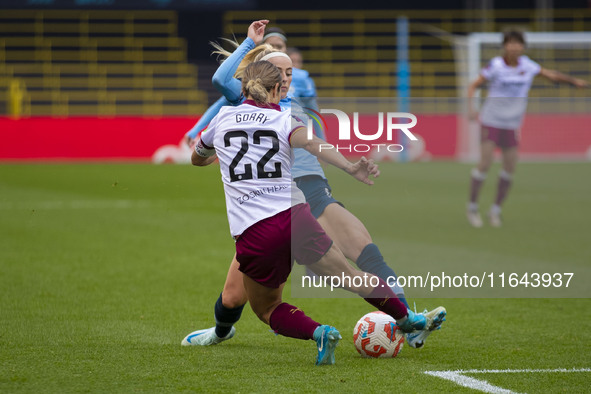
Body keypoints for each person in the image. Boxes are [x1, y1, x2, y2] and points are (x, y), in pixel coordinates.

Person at [182, 20, 446, 349]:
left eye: (291, 71)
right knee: (234, 296)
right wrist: (249, 44)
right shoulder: (255, 103)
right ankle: (220, 331)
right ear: (261, 75)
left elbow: (313, 142)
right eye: (281, 72)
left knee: (363, 249)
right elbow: (223, 86)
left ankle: (409, 318)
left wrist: (347, 167)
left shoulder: (294, 99)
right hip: (278, 204)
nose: (288, 78)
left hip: (306, 193)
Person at [466, 29, 588, 228]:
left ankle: (495, 210)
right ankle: (472, 207)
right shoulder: (495, 66)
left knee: (509, 168)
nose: (514, 47)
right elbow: (474, 85)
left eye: (518, 43)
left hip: (512, 124)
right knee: (485, 164)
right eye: (510, 43)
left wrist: (574, 82)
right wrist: (472, 108)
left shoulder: (528, 66)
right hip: (491, 121)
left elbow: (552, 75)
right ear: (504, 46)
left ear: (523, 46)